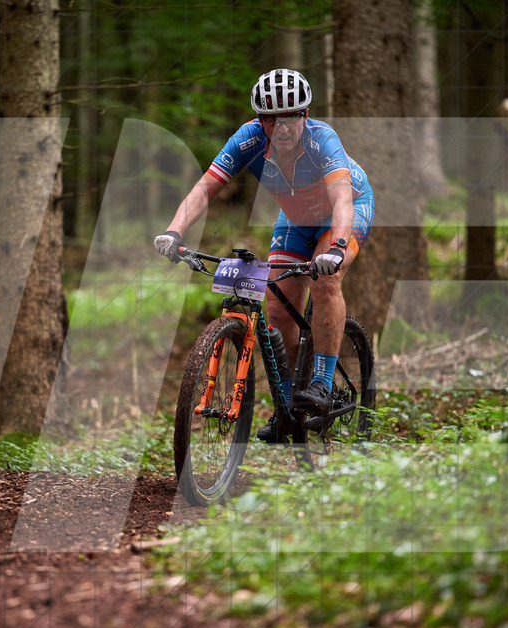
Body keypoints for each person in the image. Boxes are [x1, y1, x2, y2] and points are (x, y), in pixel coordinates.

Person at [154, 68, 374, 441]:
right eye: (272, 119)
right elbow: (205, 188)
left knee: (325, 281)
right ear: (261, 120)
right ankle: (287, 408)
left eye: (291, 117)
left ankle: (322, 382)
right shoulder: (249, 139)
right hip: (295, 218)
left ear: (305, 115)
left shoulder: (323, 140)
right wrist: (175, 231)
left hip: (347, 210)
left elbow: (341, 197)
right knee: (275, 311)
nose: (282, 127)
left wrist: (336, 247)